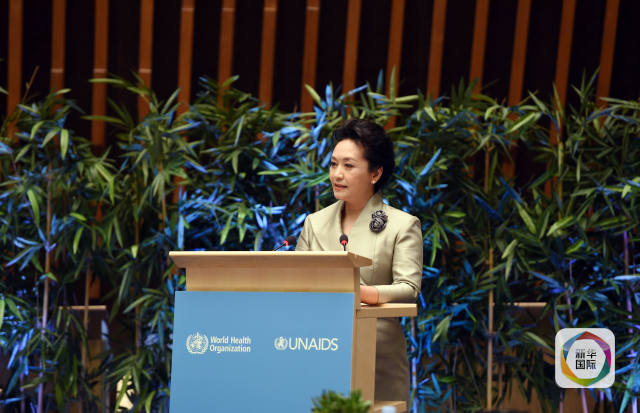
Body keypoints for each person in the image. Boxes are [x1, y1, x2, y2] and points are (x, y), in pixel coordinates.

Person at [296, 119, 423, 403]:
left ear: (375, 173)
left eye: (349, 165)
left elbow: (409, 288)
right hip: (317, 347)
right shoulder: (314, 223)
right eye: (333, 164)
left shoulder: (401, 225)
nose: (337, 174)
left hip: (377, 354)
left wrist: (363, 293)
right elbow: (297, 284)